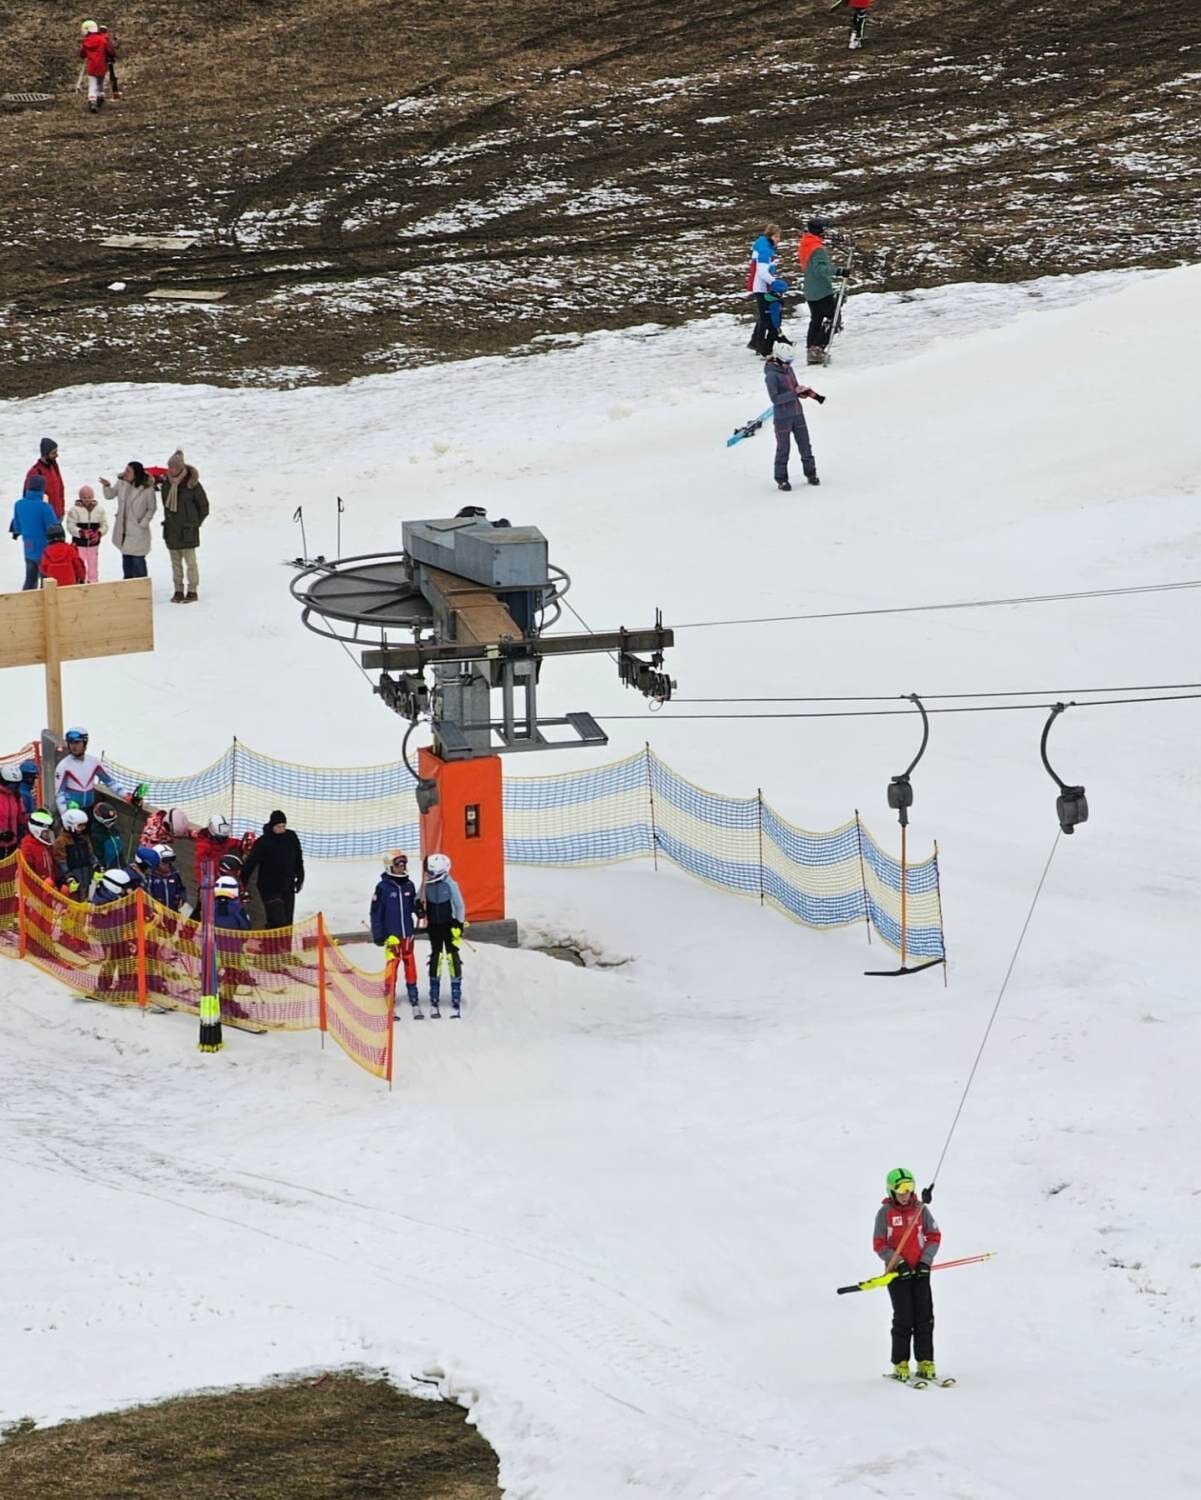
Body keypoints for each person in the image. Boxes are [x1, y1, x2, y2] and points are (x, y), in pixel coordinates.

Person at [873, 1167, 942, 1383]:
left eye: (909, 1188)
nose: (905, 1194)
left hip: (920, 1272)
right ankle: (900, 1362)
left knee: (924, 1317)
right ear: (891, 1191)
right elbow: (879, 1244)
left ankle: (925, 1361)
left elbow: (934, 1235)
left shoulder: (921, 1210)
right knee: (904, 1317)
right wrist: (899, 1262)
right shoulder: (885, 1213)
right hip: (897, 1275)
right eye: (901, 1189)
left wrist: (925, 1262)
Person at [370, 851, 422, 1015]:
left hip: (407, 934)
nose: (401, 868)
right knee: (393, 964)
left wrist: (419, 909)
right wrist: (378, 934)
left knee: (410, 963)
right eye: (398, 865)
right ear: (389, 867)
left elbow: (412, 905)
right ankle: (389, 993)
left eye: (403, 865)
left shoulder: (409, 885)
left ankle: (413, 992)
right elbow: (376, 913)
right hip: (391, 936)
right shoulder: (383, 888)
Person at [764, 350, 820, 491]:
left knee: (805, 445)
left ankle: (811, 473)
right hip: (782, 418)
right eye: (787, 362)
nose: (789, 365)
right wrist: (794, 393)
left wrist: (801, 392)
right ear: (778, 360)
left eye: (791, 362)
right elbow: (775, 399)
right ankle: (781, 479)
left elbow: (794, 387)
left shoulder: (789, 370)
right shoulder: (771, 376)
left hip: (797, 413)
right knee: (783, 449)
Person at [160, 448, 209, 603]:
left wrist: (195, 523)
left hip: (188, 531)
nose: (170, 470)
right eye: (169, 467)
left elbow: (204, 507)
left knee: (191, 564)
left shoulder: (192, 484)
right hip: (171, 530)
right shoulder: (166, 484)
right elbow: (166, 506)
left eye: (173, 467)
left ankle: (192, 590)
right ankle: (178, 590)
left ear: (180, 468)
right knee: (175, 564)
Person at [240, 810, 304, 929]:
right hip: (269, 888)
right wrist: (242, 883)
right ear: (272, 825)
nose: (282, 829)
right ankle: (270, 939)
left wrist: (300, 877)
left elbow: (298, 858)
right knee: (278, 919)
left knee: (287, 922)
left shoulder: (291, 837)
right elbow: (250, 864)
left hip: (287, 885)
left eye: (284, 826)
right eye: (279, 826)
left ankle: (284, 941)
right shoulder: (263, 842)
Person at [421, 852, 465, 1016]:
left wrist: (459, 924)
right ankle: (434, 990)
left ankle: (456, 989)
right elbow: (418, 898)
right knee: (436, 956)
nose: (428, 875)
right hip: (434, 926)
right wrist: (417, 907)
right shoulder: (426, 885)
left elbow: (459, 905)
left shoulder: (450, 884)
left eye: (431, 872)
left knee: (452, 955)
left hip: (449, 926)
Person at [102, 462, 157, 580]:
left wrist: (143, 522)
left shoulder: (147, 488)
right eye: (125, 470)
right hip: (123, 528)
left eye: (128, 471)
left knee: (138, 560)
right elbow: (110, 495)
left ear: (136, 474)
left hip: (138, 530)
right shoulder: (121, 482)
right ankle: (128, 585)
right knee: (126, 560)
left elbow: (151, 508)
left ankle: (142, 586)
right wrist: (107, 486)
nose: (125, 473)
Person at [55, 727, 124, 817]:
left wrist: (128, 796)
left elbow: (110, 782)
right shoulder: (63, 766)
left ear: (85, 742)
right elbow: (59, 793)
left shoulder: (94, 762)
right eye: (70, 742)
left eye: (77, 742)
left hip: (89, 810)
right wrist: (65, 813)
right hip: (72, 811)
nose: (73, 746)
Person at [798, 218, 839, 365]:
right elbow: (820, 269)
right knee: (834, 319)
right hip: (822, 290)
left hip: (810, 289)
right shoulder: (817, 248)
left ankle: (811, 349)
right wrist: (838, 271)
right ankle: (818, 347)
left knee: (816, 319)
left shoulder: (805, 243)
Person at [10, 475, 60, 590]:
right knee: (46, 581)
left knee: (30, 579)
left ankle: (27, 600)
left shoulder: (18, 505)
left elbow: (17, 527)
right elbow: (54, 528)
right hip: (44, 549)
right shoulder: (45, 507)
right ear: (42, 489)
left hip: (28, 547)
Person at [746, 223, 782, 356]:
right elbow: (762, 272)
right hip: (762, 287)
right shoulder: (765, 250)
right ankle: (762, 347)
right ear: (771, 236)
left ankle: (755, 342)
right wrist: (774, 282)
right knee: (766, 319)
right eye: (777, 237)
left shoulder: (762, 246)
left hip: (760, 286)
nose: (778, 240)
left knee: (763, 317)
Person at [66, 485, 109, 582]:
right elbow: (70, 526)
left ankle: (93, 582)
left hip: (93, 545)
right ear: (80, 497)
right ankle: (80, 581)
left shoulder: (99, 510)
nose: (86, 500)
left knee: (93, 565)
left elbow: (105, 525)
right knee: (79, 564)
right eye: (84, 497)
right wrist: (81, 533)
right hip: (79, 544)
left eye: (89, 497)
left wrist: (99, 533)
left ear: (93, 497)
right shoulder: (74, 510)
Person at [53, 808, 99, 897]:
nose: (82, 828)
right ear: (70, 825)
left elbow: (91, 854)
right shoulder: (61, 841)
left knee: (85, 899)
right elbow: (61, 862)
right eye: (80, 826)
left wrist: (96, 864)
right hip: (73, 882)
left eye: (84, 825)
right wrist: (68, 875)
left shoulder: (84, 838)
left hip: (85, 877)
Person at [79, 21, 116, 113]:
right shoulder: (102, 39)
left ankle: (92, 101)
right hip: (102, 65)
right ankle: (100, 96)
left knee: (92, 84)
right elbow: (110, 50)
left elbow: (82, 53)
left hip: (91, 66)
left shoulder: (85, 41)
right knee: (100, 82)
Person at [25, 438, 65, 521]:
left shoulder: (54, 466)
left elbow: (61, 488)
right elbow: (28, 499)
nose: (57, 455)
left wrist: (62, 510)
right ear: (45, 454)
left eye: (56, 452)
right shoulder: (34, 472)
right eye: (53, 453)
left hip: (58, 516)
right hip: (43, 519)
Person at [19, 810, 57, 886]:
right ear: (36, 831)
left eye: (49, 832)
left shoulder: (47, 845)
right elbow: (28, 872)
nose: (48, 835)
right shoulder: (27, 847)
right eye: (45, 832)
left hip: (49, 885)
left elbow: (54, 865)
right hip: (36, 887)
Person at [0, 764, 27, 856]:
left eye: (16, 784)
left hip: (13, 843)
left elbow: (22, 817)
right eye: (11, 784)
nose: (13, 787)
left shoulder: (16, 796)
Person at [90, 801, 124, 872]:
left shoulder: (115, 831)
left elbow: (119, 852)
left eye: (114, 821)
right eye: (109, 822)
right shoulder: (96, 835)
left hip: (120, 867)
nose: (112, 824)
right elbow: (98, 856)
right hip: (107, 870)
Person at [153, 844, 188, 912]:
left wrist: (181, 898)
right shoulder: (150, 878)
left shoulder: (174, 875)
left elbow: (181, 889)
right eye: (165, 861)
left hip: (172, 914)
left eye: (170, 860)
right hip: (156, 915)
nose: (168, 864)